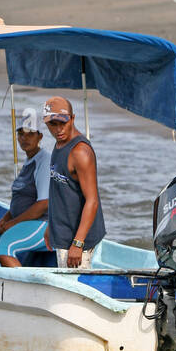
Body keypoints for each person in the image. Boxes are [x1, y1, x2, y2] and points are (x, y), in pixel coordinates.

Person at [0, 124, 50, 267]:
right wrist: (5, 219)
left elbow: (43, 204)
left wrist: (12, 224)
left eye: (30, 134)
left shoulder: (44, 161)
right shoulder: (29, 161)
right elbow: (21, 201)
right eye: (21, 134)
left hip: (44, 224)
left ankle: (24, 288)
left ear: (40, 136)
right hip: (20, 222)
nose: (24, 138)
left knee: (5, 249)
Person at [43, 96, 105, 268]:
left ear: (73, 118)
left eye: (63, 123)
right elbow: (59, 191)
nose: (58, 129)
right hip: (62, 233)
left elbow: (92, 201)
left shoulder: (80, 152)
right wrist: (51, 226)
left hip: (78, 240)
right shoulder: (59, 145)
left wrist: (78, 243)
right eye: (52, 124)